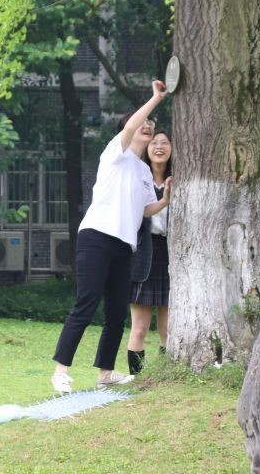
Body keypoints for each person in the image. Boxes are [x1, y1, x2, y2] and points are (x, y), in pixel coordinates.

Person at [51, 81, 172, 394]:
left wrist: (164, 201)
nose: (148, 126)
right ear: (126, 129)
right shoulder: (115, 152)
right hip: (96, 237)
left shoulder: (143, 171)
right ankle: (61, 370)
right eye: (143, 122)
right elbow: (132, 125)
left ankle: (105, 373)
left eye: (152, 124)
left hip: (124, 246)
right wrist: (155, 99)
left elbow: (145, 210)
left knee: (117, 313)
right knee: (86, 304)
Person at [127, 130, 173, 374]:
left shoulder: (179, 180)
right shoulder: (138, 178)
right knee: (140, 328)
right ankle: (137, 378)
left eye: (165, 142)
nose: (159, 147)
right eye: (154, 142)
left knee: (168, 329)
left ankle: (166, 376)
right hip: (143, 254)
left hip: (172, 254)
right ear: (147, 148)